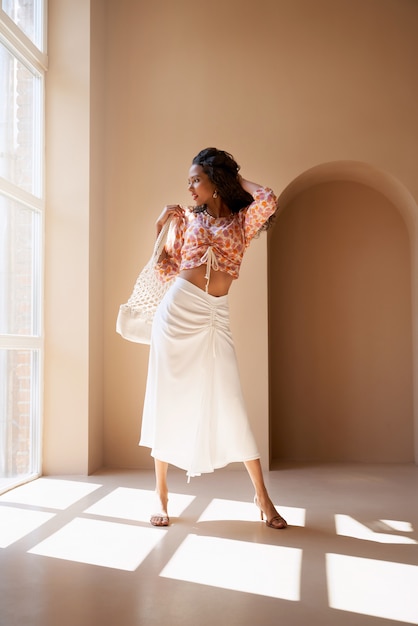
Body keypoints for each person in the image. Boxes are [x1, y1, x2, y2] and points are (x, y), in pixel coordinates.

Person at [139, 148, 287, 530]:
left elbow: (268, 199)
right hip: (176, 315)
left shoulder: (242, 223)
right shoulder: (187, 219)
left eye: (196, 179)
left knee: (231, 400)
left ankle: (262, 496)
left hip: (214, 316)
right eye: (188, 180)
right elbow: (166, 267)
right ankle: (161, 493)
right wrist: (160, 228)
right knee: (167, 398)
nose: (189, 186)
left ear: (215, 183)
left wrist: (233, 179)